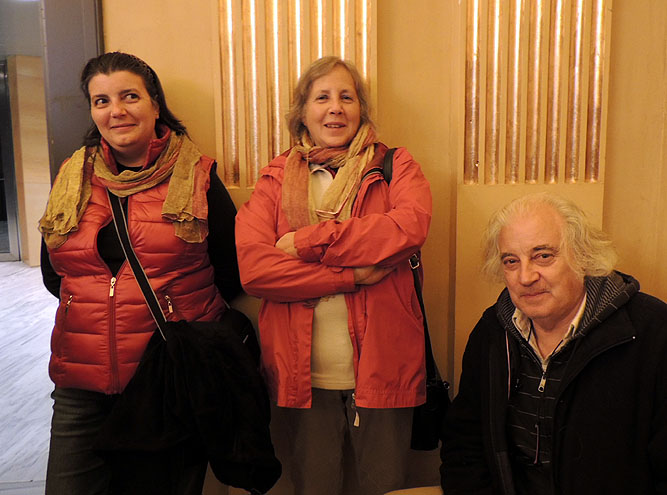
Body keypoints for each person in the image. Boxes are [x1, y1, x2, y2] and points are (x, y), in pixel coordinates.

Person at [38, 52, 241, 494]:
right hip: (80, 379)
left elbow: (231, 273)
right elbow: (56, 273)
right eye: (102, 101)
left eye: (130, 96)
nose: (117, 111)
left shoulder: (198, 176)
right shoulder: (72, 178)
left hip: (168, 379)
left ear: (155, 104)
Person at [235, 55, 432, 494]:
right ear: (302, 112)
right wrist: (349, 276)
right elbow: (255, 270)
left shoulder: (395, 166)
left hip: (386, 368)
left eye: (347, 97)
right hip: (303, 378)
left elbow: (407, 228)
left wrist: (306, 242)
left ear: (361, 109)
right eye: (322, 97)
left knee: (386, 489)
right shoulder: (274, 179)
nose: (335, 108)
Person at [440, 192, 667, 494]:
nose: (525, 277)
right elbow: (464, 447)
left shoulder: (653, 332)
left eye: (543, 256)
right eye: (511, 261)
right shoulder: (492, 332)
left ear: (582, 256)